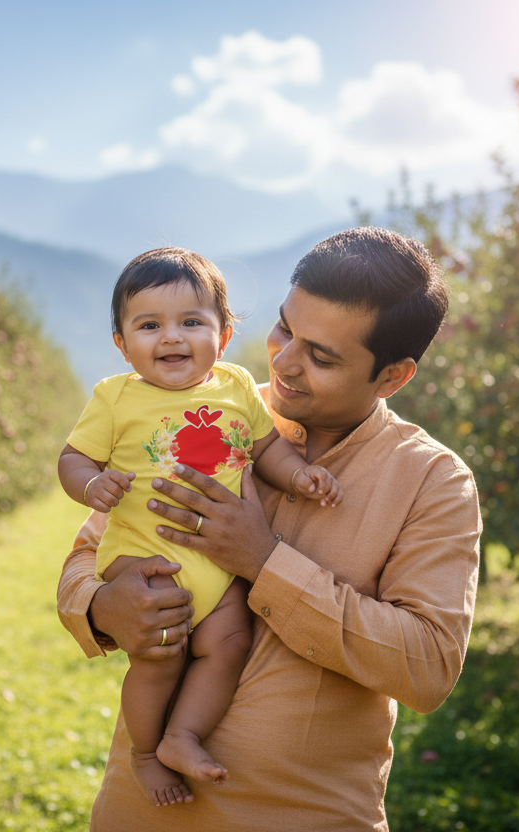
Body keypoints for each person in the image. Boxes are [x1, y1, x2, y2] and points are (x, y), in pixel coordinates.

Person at [58, 226, 482, 831]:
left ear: (392, 377)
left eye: (322, 356)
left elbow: (428, 665)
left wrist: (265, 561)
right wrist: (103, 607)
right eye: (285, 329)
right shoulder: (204, 408)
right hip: (141, 811)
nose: (283, 360)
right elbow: (87, 553)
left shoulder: (432, 482)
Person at [58, 247, 343, 807]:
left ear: (225, 333)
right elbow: (73, 459)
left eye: (192, 322)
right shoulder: (114, 398)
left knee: (228, 641)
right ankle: (144, 752)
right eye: (149, 325)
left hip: (219, 565)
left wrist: (299, 476)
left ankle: (181, 736)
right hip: (147, 558)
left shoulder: (236, 387)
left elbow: (266, 449)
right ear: (121, 342)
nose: (171, 338)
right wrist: (92, 486)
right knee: (159, 651)